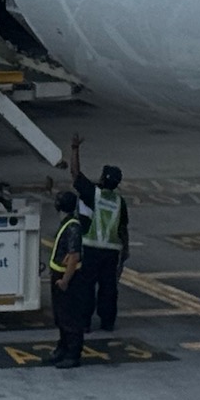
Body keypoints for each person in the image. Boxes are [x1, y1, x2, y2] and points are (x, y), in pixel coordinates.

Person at [69, 133, 128, 331]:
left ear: (103, 179)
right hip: (112, 252)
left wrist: (75, 149)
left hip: (92, 248)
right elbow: (123, 229)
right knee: (109, 289)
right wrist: (125, 253)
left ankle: (85, 323)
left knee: (86, 287)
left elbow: (75, 174)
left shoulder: (94, 194)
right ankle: (108, 322)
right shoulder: (120, 201)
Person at [48, 189, 89, 369]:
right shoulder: (68, 223)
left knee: (70, 318)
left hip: (68, 280)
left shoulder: (72, 226)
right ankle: (63, 348)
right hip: (59, 276)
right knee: (62, 316)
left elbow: (74, 256)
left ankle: (73, 354)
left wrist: (65, 281)